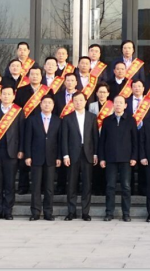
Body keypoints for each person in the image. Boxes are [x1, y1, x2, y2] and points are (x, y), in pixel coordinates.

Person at [0, 85, 25, 220]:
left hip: (12, 152)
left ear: (13, 96)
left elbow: (22, 132)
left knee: (9, 183)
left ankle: (8, 211)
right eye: (4, 94)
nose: (6, 96)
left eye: (9, 94)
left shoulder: (18, 111)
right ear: (0, 96)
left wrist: (21, 150)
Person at [99, 96, 138, 222]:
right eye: (116, 103)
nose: (118, 105)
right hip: (110, 158)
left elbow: (135, 140)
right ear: (113, 105)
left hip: (126, 159)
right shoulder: (107, 121)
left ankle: (126, 213)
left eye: (121, 103)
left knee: (126, 186)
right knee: (110, 186)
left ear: (125, 105)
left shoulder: (131, 120)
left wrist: (134, 157)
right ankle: (109, 212)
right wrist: (102, 158)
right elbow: (102, 141)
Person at [61, 92, 99, 221]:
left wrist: (95, 153)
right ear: (72, 102)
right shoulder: (67, 118)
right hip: (72, 154)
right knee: (71, 184)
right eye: (76, 100)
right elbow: (64, 138)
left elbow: (95, 137)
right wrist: (65, 155)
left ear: (85, 101)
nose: (78, 102)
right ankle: (71, 212)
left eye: (81, 100)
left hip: (88, 153)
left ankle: (85, 212)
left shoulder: (92, 117)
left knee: (87, 184)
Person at [24, 95, 62, 221]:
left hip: (51, 158)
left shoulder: (58, 120)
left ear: (53, 105)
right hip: (36, 157)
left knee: (49, 187)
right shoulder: (32, 120)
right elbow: (27, 139)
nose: (47, 105)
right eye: (44, 102)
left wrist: (59, 156)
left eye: (49, 103)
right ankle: (35, 212)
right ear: (40, 105)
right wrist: (28, 155)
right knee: (35, 186)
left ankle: (48, 212)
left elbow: (60, 141)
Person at [14, 65, 45, 195]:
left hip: (42, 127)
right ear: (28, 76)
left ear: (41, 76)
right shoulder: (21, 90)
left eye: (37, 74)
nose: (35, 76)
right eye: (32, 74)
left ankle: (41, 186)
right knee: (23, 158)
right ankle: (23, 186)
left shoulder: (47, 91)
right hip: (25, 126)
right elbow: (16, 109)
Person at [88, 82, 112, 196]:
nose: (102, 94)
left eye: (104, 92)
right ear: (96, 93)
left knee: (105, 163)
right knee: (95, 163)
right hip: (94, 136)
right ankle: (96, 188)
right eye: (100, 92)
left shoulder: (112, 105)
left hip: (108, 137)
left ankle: (105, 188)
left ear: (108, 93)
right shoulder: (92, 105)